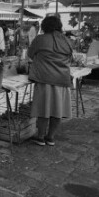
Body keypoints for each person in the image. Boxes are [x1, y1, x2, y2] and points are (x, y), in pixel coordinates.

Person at [28, 16, 73, 146]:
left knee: (44, 109)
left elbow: (30, 54)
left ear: (44, 26)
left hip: (44, 79)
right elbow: (71, 59)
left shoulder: (40, 39)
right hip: (62, 80)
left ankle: (40, 137)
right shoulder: (67, 40)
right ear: (59, 25)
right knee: (57, 110)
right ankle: (50, 137)